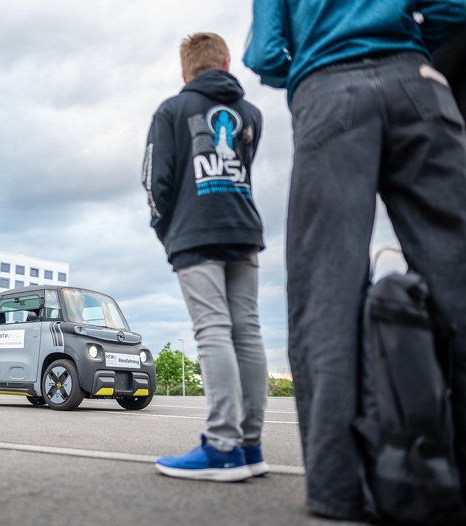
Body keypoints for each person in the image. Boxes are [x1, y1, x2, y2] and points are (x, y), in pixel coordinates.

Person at [244, 0, 466, 519]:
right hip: (417, 82)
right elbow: (453, 7)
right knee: (458, 276)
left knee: (326, 295)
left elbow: (263, 52)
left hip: (327, 90)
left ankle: (337, 487)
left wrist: (306, 69)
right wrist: (403, 51)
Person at [143, 32, 269, 482]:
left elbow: (156, 181)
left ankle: (221, 446)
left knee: (213, 330)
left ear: (185, 72)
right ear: (227, 63)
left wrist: (168, 232)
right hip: (243, 230)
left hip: (195, 235)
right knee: (248, 333)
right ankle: (249, 446)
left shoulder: (172, 110)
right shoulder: (250, 113)